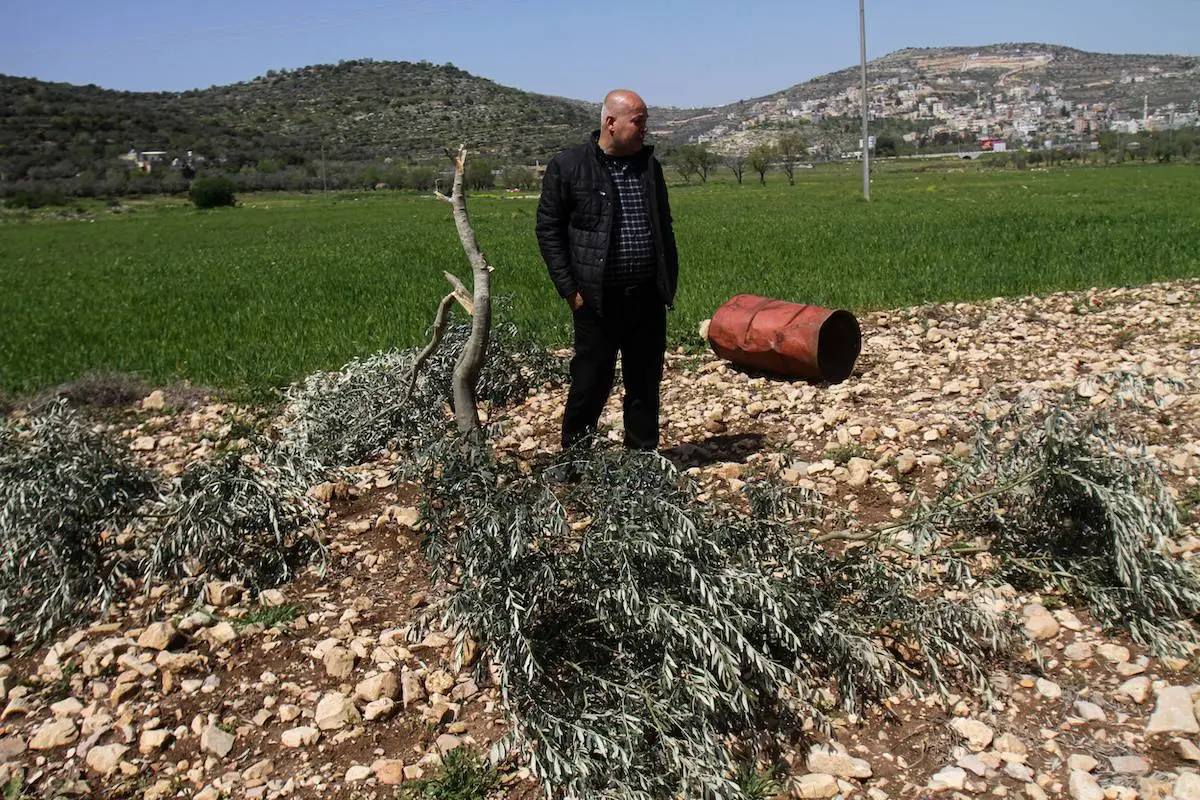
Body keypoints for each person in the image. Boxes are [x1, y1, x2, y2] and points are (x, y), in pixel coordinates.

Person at [535, 89, 679, 452]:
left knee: (644, 382)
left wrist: (666, 280)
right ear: (610, 123)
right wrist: (570, 291)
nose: (645, 129)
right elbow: (548, 230)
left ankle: (642, 462)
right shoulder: (568, 167)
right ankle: (574, 461)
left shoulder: (649, 167)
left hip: (646, 296)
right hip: (596, 300)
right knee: (590, 382)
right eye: (639, 121)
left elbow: (664, 225)